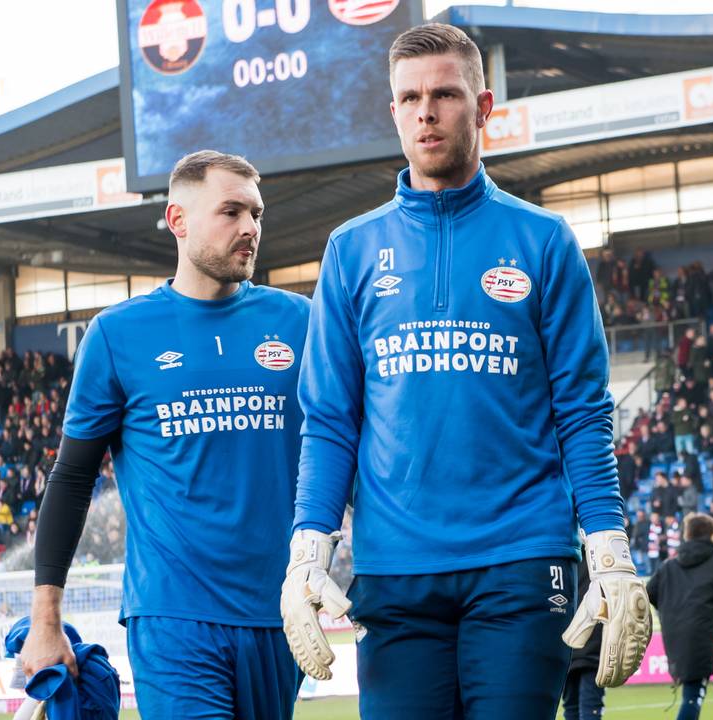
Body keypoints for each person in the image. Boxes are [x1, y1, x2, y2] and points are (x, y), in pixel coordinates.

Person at [281, 24, 650, 719]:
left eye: (445, 94)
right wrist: (308, 550)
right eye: (410, 97)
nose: (426, 111)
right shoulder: (351, 250)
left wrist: (609, 549)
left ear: (482, 107)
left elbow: (582, 410)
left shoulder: (544, 242)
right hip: (394, 571)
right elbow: (330, 420)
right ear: (392, 111)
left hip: (523, 560)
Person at [21, 150, 310, 720]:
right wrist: (44, 622)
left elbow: (344, 450)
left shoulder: (301, 321)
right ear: (178, 220)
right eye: (231, 212)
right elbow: (73, 479)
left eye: (256, 213)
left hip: (280, 613)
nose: (250, 228)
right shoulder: (117, 335)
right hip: (172, 616)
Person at [647, 514, 713, 720]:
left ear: (686, 535)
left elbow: (648, 594)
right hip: (701, 638)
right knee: (693, 696)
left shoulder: (668, 567)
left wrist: (671, 615)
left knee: (691, 692)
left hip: (673, 637)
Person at [561, 550, 606, 720]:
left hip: (566, 639)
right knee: (591, 706)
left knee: (570, 707)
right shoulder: (602, 555)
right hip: (592, 639)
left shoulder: (564, 554)